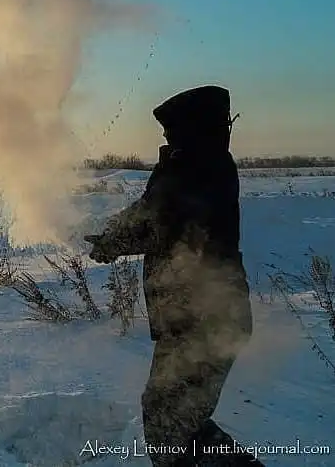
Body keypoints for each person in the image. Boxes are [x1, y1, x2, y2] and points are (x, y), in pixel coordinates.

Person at [85, 86, 262, 466]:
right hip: (193, 318)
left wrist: (112, 242)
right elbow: (149, 211)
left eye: (171, 130)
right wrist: (112, 231)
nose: (165, 137)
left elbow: (161, 225)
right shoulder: (192, 165)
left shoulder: (199, 168)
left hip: (205, 318)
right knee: (175, 420)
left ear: (192, 129)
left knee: (170, 424)